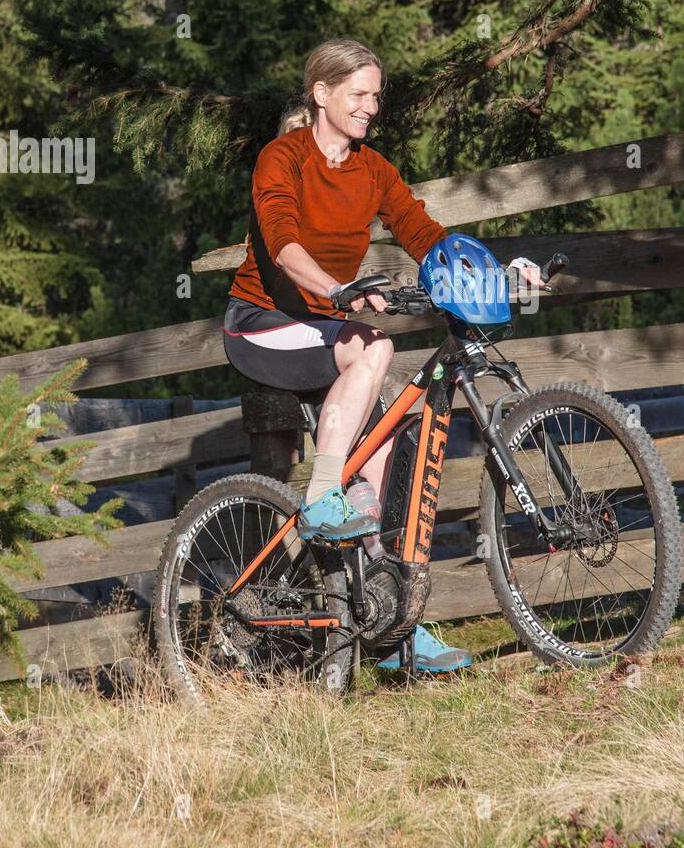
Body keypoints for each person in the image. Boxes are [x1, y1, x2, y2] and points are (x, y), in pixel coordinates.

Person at [224, 38, 542, 673]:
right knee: (377, 345)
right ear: (322, 94)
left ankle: (392, 629)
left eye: (376, 96)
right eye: (359, 95)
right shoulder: (280, 158)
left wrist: (500, 272)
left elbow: (425, 234)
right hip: (263, 325)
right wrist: (340, 290)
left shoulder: (372, 170)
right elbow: (282, 243)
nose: (371, 107)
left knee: (386, 456)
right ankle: (319, 497)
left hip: (326, 333)